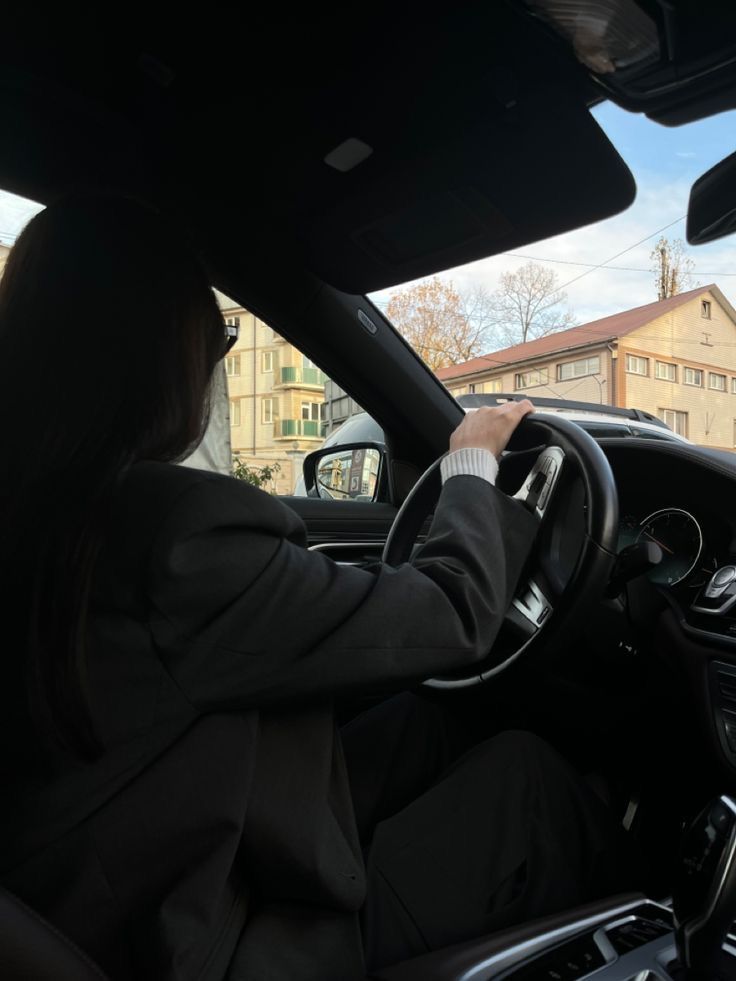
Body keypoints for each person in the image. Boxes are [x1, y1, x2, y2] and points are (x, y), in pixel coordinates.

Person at [0, 195, 639, 981]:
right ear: (162, 357)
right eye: (218, 336)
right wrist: (471, 461)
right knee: (531, 783)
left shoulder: (43, 509)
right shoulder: (171, 533)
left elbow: (320, 617)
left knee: (428, 721)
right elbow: (455, 612)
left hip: (101, 880)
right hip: (206, 943)